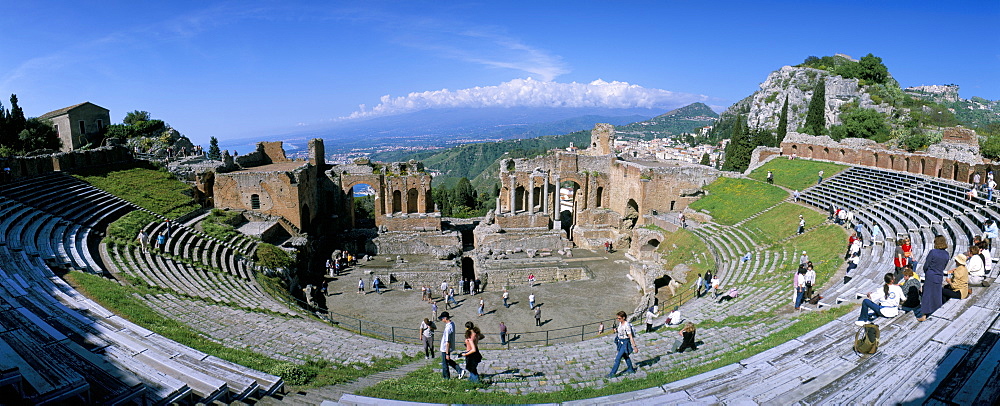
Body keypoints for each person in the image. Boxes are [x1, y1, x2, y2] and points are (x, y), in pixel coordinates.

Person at [919, 236, 949, 321]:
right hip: (939, 275)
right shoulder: (946, 254)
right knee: (936, 295)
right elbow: (944, 265)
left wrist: (927, 272)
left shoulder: (933, 252)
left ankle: (924, 315)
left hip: (930, 275)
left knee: (927, 295)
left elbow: (926, 265)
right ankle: (936, 312)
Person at [608, 311, 638, 378]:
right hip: (620, 341)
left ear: (623, 318)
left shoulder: (627, 325)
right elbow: (621, 332)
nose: (618, 320)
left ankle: (612, 373)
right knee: (625, 356)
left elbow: (630, 336)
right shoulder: (621, 323)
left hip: (625, 343)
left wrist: (635, 346)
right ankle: (630, 369)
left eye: (619, 318)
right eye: (617, 318)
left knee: (618, 358)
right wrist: (616, 331)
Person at [438, 312, 465, 379]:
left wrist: (447, 353)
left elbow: (447, 342)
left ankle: (446, 378)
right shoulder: (452, 324)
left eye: (442, 318)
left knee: (445, 364)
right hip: (447, 348)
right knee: (448, 361)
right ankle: (459, 370)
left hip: (445, 348)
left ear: (445, 318)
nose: (441, 320)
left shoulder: (448, 329)